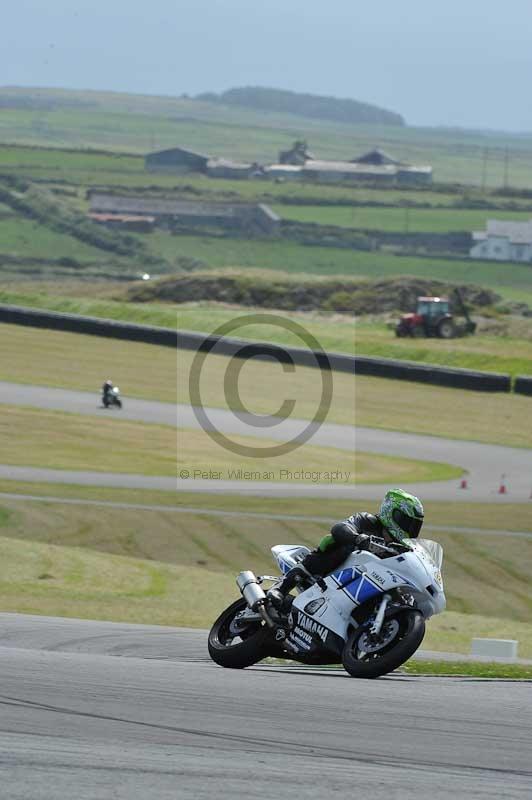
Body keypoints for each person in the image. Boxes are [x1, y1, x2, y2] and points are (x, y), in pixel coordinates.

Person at [267, 488, 424, 608]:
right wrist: (358, 538)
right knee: (341, 544)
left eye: (415, 525)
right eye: (407, 522)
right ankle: (282, 587)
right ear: (391, 513)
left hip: (365, 585)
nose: (411, 529)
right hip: (333, 572)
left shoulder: (403, 548)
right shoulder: (366, 521)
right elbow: (340, 528)